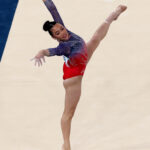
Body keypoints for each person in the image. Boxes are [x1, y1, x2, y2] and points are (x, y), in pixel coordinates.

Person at [31, 0, 127, 150]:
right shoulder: (63, 47)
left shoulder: (66, 31)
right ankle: (66, 144)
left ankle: (113, 16)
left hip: (82, 58)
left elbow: (53, 9)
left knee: (95, 39)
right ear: (54, 37)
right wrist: (41, 52)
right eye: (58, 33)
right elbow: (50, 52)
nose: (63, 32)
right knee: (68, 113)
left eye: (61, 28)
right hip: (73, 78)